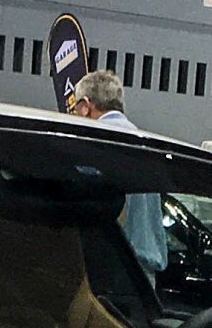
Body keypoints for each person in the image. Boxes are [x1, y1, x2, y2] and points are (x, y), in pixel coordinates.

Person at [63, 67, 168, 279]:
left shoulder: (96, 144)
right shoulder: (145, 146)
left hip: (111, 270)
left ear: (85, 106)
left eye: (75, 109)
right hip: (145, 276)